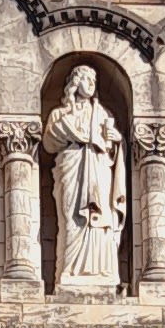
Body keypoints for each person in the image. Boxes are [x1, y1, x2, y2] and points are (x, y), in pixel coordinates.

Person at [44, 65, 125, 291]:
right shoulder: (60, 114)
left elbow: (113, 150)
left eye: (94, 80)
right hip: (72, 168)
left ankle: (101, 270)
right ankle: (70, 269)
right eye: (86, 78)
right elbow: (49, 143)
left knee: (99, 217)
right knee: (72, 220)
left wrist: (116, 141)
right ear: (75, 82)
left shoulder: (103, 114)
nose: (91, 83)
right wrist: (71, 131)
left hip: (99, 169)